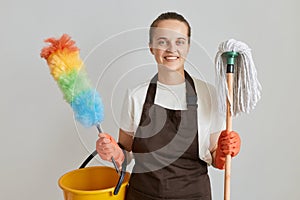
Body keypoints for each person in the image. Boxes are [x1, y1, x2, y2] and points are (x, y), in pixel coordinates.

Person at [96, 12, 241, 200]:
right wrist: (114, 152)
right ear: (151, 47)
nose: (172, 49)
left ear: (188, 46)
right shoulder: (136, 95)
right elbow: (126, 153)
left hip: (194, 195)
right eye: (163, 41)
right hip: (143, 195)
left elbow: (215, 158)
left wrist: (224, 151)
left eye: (179, 41)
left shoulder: (209, 94)